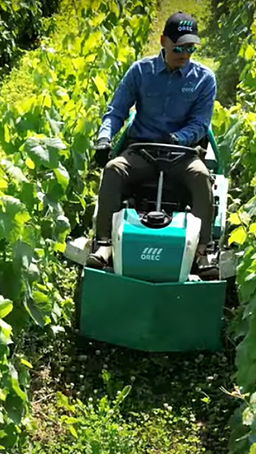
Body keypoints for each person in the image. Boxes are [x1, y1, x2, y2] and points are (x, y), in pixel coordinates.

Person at [88, 11, 217, 268]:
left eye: (191, 48)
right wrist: (104, 139)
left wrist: (178, 138)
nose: (185, 54)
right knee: (114, 170)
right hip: (142, 150)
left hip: (182, 154)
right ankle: (104, 244)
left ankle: (203, 251)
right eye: (179, 47)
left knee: (202, 177)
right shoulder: (140, 71)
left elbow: (200, 124)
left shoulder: (204, 79)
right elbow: (116, 110)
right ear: (163, 41)